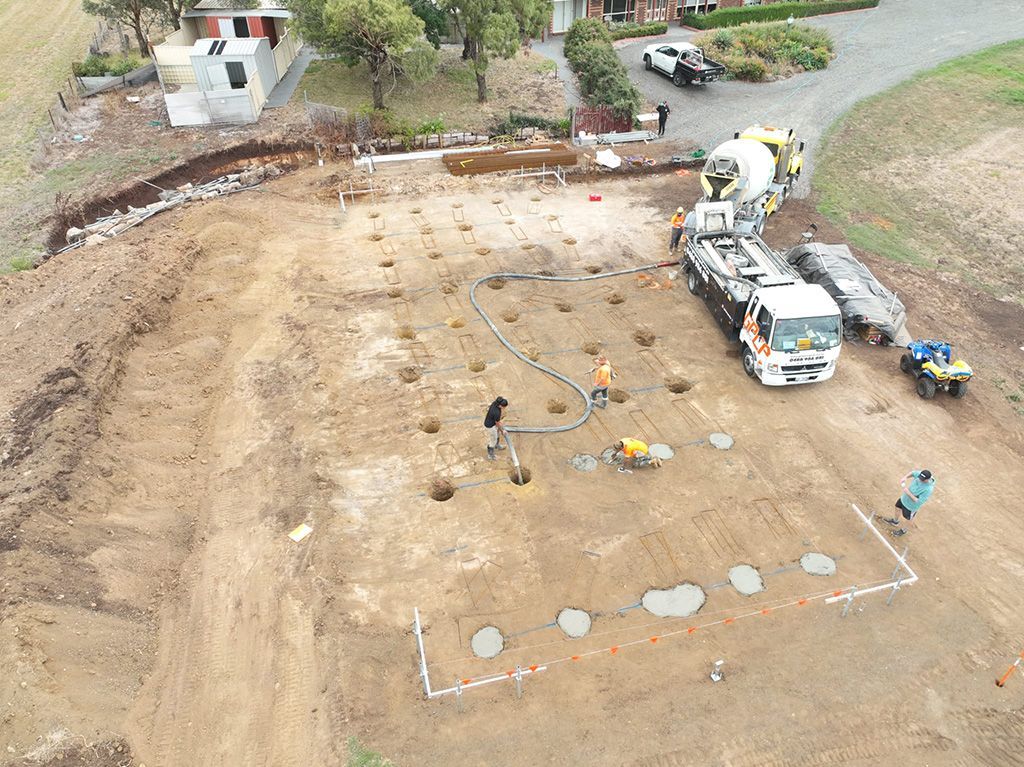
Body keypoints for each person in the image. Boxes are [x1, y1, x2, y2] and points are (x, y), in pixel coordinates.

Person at [884, 469, 936, 537]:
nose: (920, 480)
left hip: (911, 506)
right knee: (897, 507)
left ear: (927, 479)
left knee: (909, 519)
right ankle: (895, 521)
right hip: (904, 499)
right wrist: (905, 477)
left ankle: (903, 530)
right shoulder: (922, 474)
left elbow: (918, 501)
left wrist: (908, 493)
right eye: (920, 478)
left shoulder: (928, 489)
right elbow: (913, 473)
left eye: (922, 479)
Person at [484, 397, 508, 461]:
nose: (504, 408)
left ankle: (497, 445)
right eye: (504, 407)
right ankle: (490, 455)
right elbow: (497, 423)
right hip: (490, 426)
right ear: (500, 405)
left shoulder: (495, 403)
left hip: (492, 422)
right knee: (493, 440)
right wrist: (503, 430)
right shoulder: (496, 412)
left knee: (497, 433)